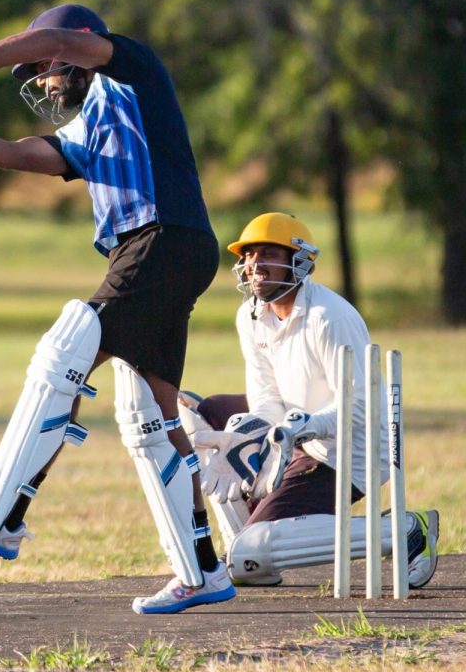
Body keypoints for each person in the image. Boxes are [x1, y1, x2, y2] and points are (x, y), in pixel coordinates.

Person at [0, 3, 233, 613]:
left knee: (66, 349)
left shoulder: (131, 71)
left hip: (163, 237)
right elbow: (23, 155)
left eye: (43, 66)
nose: (42, 80)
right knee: (149, 417)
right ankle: (201, 572)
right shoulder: (87, 126)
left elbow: (63, 38)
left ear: (74, 48)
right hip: (160, 248)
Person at [177, 212, 439, 587]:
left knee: (252, 554)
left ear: (297, 261)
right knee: (203, 413)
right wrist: (254, 432)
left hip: (348, 454)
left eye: (267, 253)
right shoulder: (249, 316)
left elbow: (361, 407)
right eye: (249, 255)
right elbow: (266, 398)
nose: (254, 264)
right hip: (296, 431)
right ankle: (245, 548)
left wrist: (303, 428)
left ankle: (405, 530)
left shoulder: (328, 317)